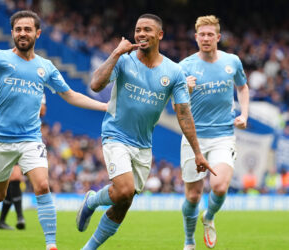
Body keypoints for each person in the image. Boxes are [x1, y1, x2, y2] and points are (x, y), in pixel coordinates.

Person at [0, 10, 107, 250]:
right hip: (0, 140)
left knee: (42, 185)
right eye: (18, 29)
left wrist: (103, 105)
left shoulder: (45, 67)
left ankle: (51, 245)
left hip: (30, 139)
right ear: (12, 33)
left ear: (37, 33)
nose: (22, 33)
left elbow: (70, 95)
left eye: (27, 29)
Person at [75, 13, 215, 250]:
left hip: (143, 144)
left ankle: (89, 236)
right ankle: (92, 202)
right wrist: (116, 52)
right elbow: (95, 84)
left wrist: (198, 153)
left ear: (160, 35)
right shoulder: (124, 60)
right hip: (115, 134)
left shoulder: (173, 72)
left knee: (124, 201)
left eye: (147, 30)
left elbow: (183, 113)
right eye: (138, 29)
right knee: (124, 189)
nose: (141, 34)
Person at [179, 15, 249, 250]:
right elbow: (175, 107)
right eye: (202, 34)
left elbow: (242, 86)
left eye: (211, 34)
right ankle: (189, 241)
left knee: (219, 187)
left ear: (218, 37)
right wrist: (185, 90)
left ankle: (209, 216)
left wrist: (244, 114)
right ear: (196, 37)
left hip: (223, 135)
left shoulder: (232, 61)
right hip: (193, 138)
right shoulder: (185, 66)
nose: (206, 38)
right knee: (192, 197)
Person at [0, 94, 46, 230]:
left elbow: (43, 111)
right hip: (6, 137)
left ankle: (6, 220)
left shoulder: (36, 87)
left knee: (14, 180)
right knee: (9, 182)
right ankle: (16, 217)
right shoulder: (7, 86)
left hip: (26, 138)